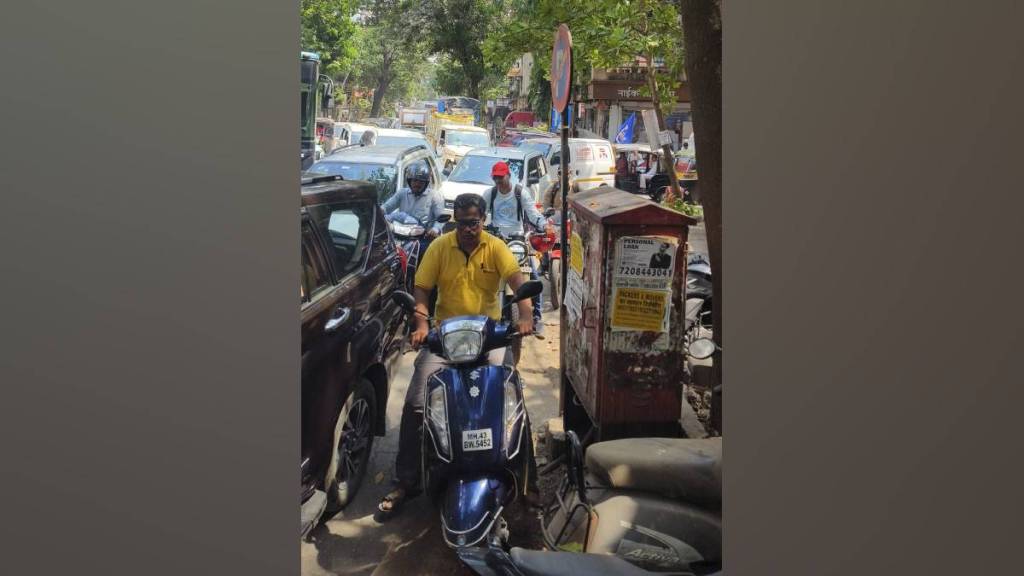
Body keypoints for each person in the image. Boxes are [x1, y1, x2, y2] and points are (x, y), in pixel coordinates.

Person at [378, 193, 536, 517]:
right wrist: (421, 323)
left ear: (484, 220)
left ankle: (528, 481)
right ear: (455, 221)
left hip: (488, 337)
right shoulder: (439, 247)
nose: (468, 229)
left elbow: (519, 284)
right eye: (462, 223)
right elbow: (421, 288)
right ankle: (406, 481)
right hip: (444, 337)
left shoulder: (496, 247)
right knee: (416, 404)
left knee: (511, 400)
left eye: (473, 223)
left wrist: (526, 318)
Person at [484, 161, 554, 339]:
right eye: (496, 178)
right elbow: (480, 214)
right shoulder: (489, 194)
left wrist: (544, 226)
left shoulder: (520, 192)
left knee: (532, 278)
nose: (499, 181)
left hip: (517, 242)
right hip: (495, 241)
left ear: (508, 175)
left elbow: (532, 213)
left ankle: (536, 317)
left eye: (501, 177)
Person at [381, 163, 445, 239]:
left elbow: (441, 218)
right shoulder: (402, 193)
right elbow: (386, 207)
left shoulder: (435, 196)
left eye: (421, 181)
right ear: (409, 181)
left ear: (426, 183)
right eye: (414, 180)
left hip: (424, 237)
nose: (417, 184)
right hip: (402, 235)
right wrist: (379, 212)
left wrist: (434, 230)